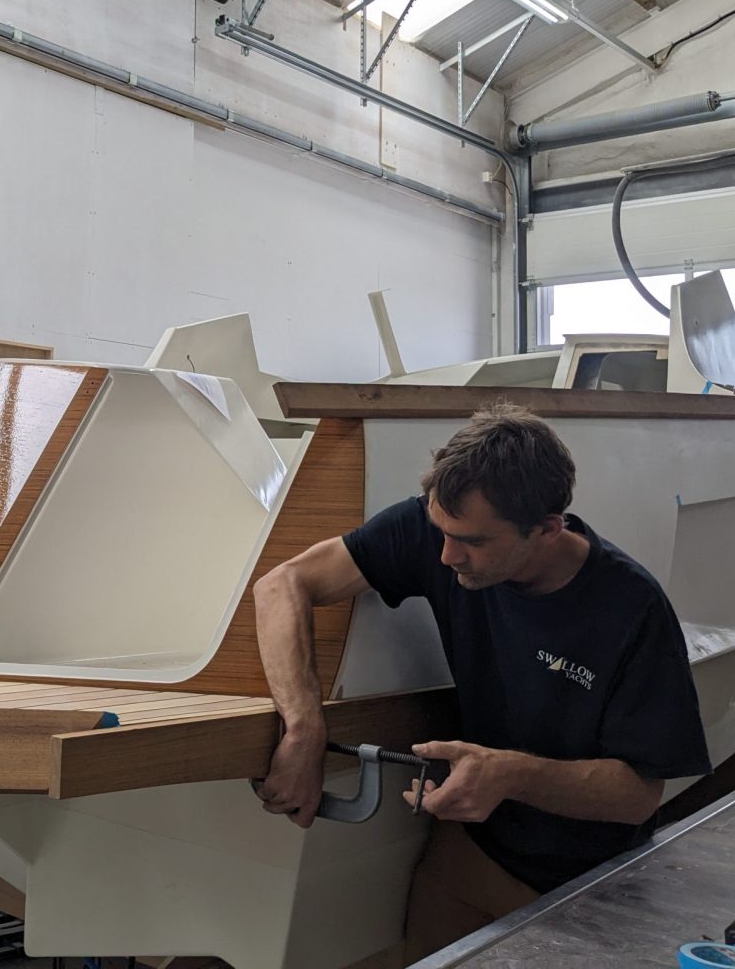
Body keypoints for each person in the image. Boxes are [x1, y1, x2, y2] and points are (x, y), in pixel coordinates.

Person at [252, 403, 710, 960]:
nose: (447, 555)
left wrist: (509, 774)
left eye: (471, 541)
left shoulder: (632, 609)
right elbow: (281, 585)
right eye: (441, 530)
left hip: (586, 881)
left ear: (547, 529)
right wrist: (304, 730)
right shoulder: (438, 531)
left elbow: (638, 796)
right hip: (470, 853)